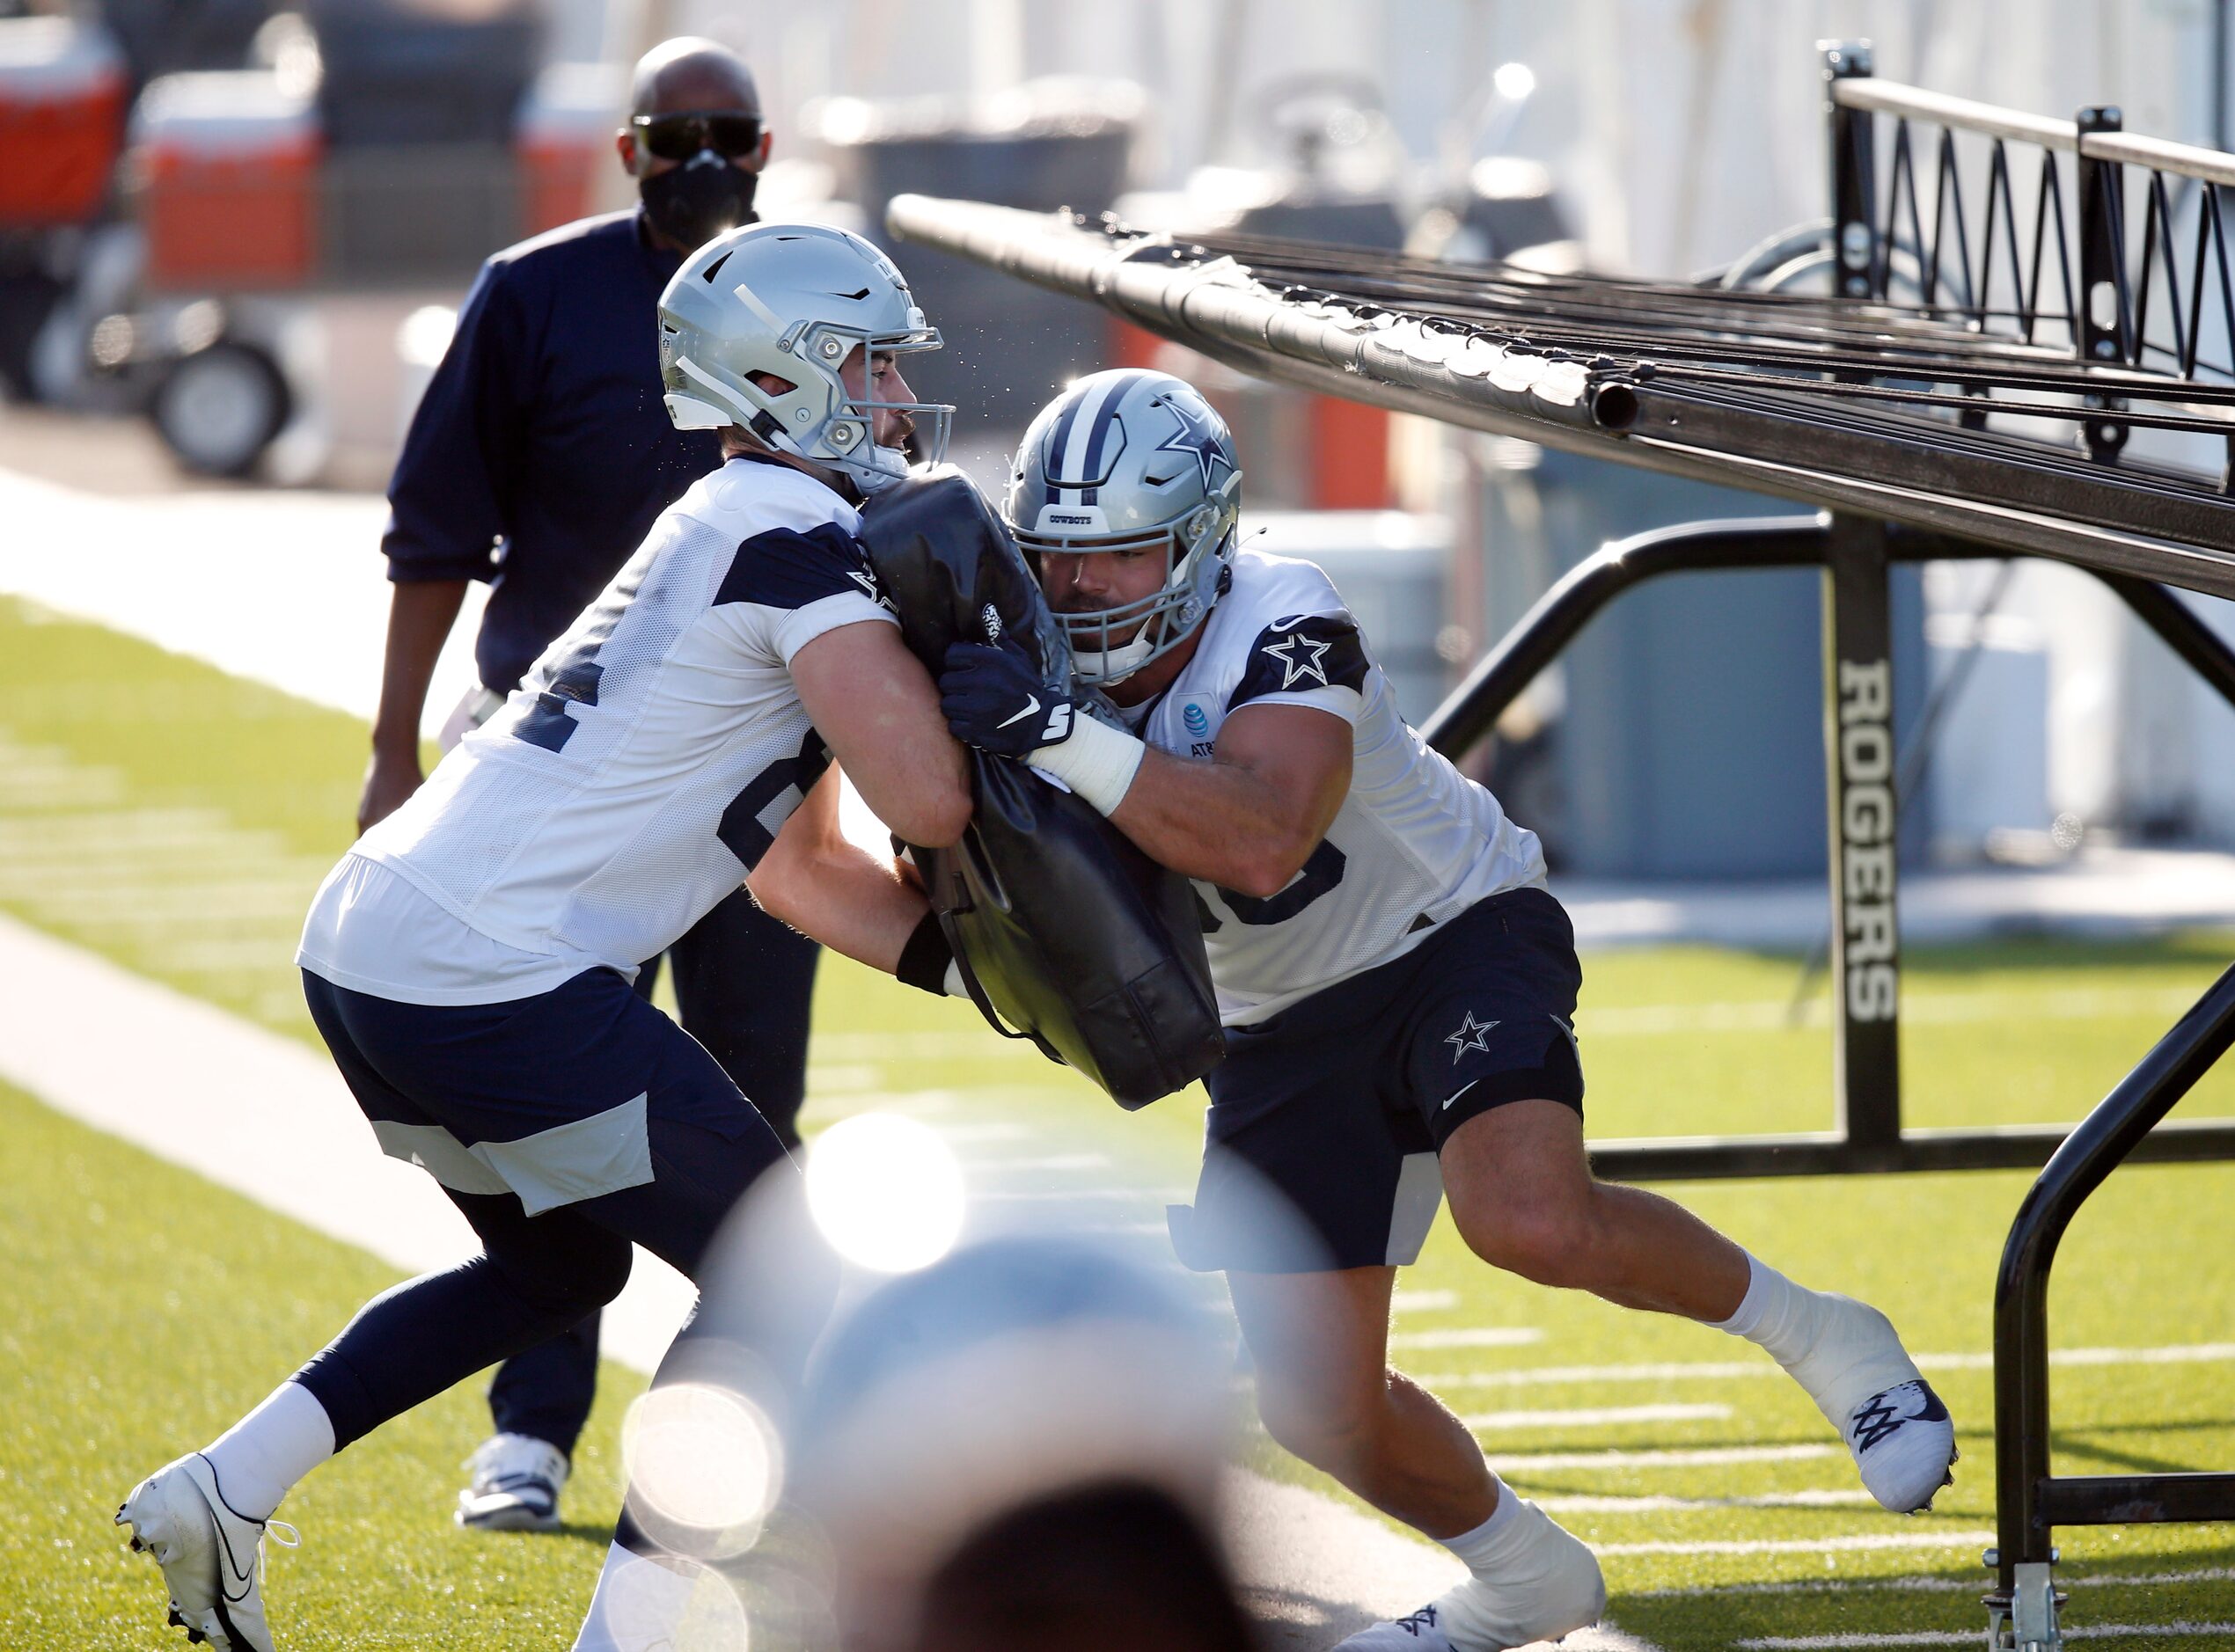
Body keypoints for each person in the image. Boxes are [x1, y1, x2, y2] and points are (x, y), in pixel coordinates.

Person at [763, 368, 1960, 1652]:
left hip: (1449, 931)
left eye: (1122, 560)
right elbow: (837, 864)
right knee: (1319, 1407)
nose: (1079, 593)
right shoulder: (1015, 647)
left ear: (1205, 537)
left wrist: (1059, 731)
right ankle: (1523, 1580)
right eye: (1058, 561)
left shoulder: (1282, 610)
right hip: (1274, 1019)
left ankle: (1825, 1333)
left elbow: (1267, 836)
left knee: (1530, 1216)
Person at [116, 222, 970, 1652]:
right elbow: (929, 794)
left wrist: (980, 975)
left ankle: (227, 1487)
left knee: (560, 1270)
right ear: (782, 374)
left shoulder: (735, 519)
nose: (893, 394)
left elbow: (802, 870)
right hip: (484, 965)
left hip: (380, 943)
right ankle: (629, 1637)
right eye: (867, 360)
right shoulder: (799, 537)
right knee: (786, 1260)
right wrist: (1003, 686)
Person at [357, 35, 824, 1534]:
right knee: (555, 1112)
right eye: (671, 133)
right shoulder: (537, 292)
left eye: (729, 134)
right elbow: (433, 529)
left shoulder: (812, 298)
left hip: (753, 794)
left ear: (767, 146)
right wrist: (388, 749)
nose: (703, 159)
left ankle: (723, 1461)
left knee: (749, 1113)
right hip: (560, 794)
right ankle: (533, 1429)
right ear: (625, 148)